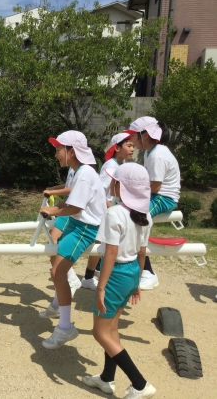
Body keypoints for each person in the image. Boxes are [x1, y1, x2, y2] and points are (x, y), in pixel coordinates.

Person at [83, 162, 156, 399]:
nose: (111, 183)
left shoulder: (114, 214)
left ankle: (140, 384)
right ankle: (106, 377)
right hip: (133, 270)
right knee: (111, 329)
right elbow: (142, 251)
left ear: (120, 186)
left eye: (115, 180)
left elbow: (110, 253)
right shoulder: (145, 215)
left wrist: (100, 286)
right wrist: (137, 282)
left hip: (115, 275)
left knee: (100, 332)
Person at [39, 131, 107, 349]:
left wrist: (53, 211)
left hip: (84, 228)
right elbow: (71, 202)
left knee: (58, 273)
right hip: (76, 223)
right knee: (56, 272)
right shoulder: (80, 171)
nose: (57, 155)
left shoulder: (85, 174)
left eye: (59, 150)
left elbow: (76, 207)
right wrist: (53, 208)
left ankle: (66, 327)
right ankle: (61, 310)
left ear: (71, 151)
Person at [125, 117, 180, 290]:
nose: (132, 140)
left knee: (137, 219)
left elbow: (155, 186)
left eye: (134, 135)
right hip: (156, 194)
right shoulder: (150, 151)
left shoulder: (157, 155)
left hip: (164, 198)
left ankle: (148, 272)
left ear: (146, 136)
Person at [82, 133, 136, 291]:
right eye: (129, 145)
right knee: (104, 246)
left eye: (133, 145)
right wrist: (113, 208)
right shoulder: (111, 166)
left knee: (101, 245)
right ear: (117, 148)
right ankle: (92, 277)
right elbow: (99, 192)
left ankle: (89, 277)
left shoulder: (120, 164)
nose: (132, 149)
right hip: (107, 212)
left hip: (112, 210)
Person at [43, 168, 83, 296]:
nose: (57, 154)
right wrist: (53, 188)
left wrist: (53, 191)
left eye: (59, 150)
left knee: (53, 244)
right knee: (53, 245)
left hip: (71, 207)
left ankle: (72, 279)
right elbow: (69, 186)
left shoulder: (81, 167)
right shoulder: (73, 167)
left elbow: (75, 189)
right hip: (67, 204)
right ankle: (69, 280)